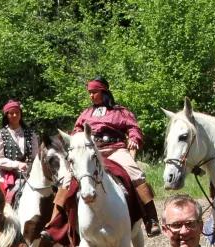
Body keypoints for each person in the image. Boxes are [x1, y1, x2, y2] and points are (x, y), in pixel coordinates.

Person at [44, 77, 160, 238]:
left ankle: (151, 219)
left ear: (104, 92)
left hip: (115, 150)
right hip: (91, 153)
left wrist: (134, 138)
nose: (91, 96)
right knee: (67, 180)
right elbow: (76, 131)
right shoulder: (86, 113)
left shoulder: (120, 112)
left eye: (94, 92)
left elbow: (134, 128)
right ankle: (55, 225)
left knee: (136, 174)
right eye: (89, 92)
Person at [0, 99, 36, 204]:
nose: (15, 115)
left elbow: (35, 157)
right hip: (7, 177)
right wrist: (17, 165)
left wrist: (30, 168)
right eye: (11, 113)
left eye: (17, 112)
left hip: (30, 176)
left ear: (21, 114)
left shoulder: (31, 135)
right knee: (6, 201)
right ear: (6, 115)